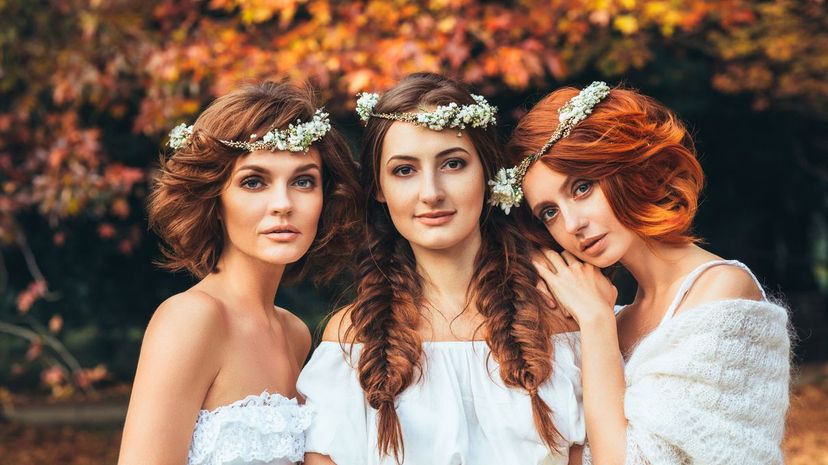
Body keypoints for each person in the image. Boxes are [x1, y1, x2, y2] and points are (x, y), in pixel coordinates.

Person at [490, 82, 791, 465]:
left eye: (582, 188)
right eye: (549, 212)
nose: (572, 223)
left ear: (627, 168)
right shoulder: (615, 316)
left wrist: (595, 321)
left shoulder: (722, 291)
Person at [298, 73, 585, 465]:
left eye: (452, 163)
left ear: (486, 172)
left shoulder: (559, 318)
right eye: (404, 170)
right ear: (379, 189)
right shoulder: (353, 337)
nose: (431, 192)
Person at [117, 81, 359, 465]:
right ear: (215, 199)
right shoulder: (192, 319)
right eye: (254, 181)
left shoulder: (294, 333)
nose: (283, 204)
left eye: (303, 181)